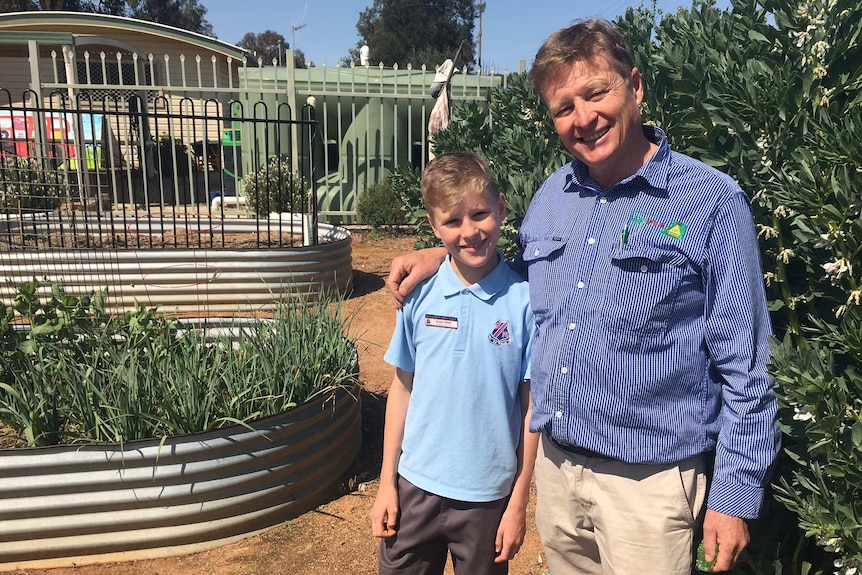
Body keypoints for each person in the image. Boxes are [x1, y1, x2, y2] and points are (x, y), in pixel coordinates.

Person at [386, 19, 780, 575]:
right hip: (558, 474)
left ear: (635, 87)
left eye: (597, 92)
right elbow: (516, 276)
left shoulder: (711, 202)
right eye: (563, 107)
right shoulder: (552, 197)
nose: (583, 118)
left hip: (650, 489)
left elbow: (747, 366)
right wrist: (440, 256)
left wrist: (733, 500)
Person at [369, 152, 538, 575]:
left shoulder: (525, 303)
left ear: (500, 208)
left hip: (487, 495)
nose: (470, 232)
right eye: (453, 221)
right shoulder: (417, 295)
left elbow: (531, 407)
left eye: (480, 214)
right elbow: (403, 387)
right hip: (414, 486)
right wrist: (386, 482)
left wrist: (519, 499)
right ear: (434, 226)